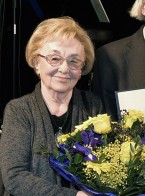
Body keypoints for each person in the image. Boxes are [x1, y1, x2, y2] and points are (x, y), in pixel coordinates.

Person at [0, 17, 105, 196]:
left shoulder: (93, 106)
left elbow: (105, 165)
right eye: (55, 58)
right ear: (36, 63)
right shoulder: (19, 111)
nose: (64, 68)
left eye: (74, 61)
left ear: (81, 68)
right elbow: (15, 177)